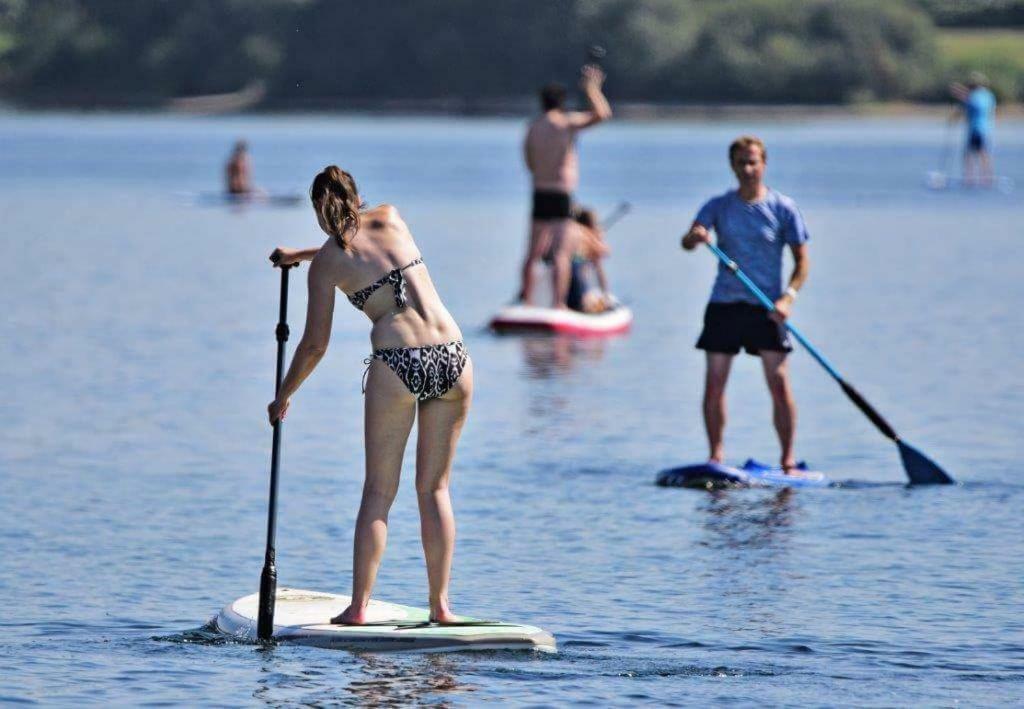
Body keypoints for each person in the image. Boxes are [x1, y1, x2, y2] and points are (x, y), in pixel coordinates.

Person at [268, 166, 473, 625]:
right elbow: (367, 245)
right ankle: (441, 607)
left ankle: (359, 607)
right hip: (455, 358)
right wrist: (300, 254)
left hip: (399, 362)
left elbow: (315, 345)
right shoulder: (393, 217)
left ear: (319, 213)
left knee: (379, 491)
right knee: (435, 489)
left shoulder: (325, 266)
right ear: (358, 197)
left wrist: (284, 394)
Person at [680, 136, 810, 473]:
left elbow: (802, 263)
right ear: (733, 167)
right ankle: (716, 456)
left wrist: (789, 298)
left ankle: (788, 460)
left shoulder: (783, 208)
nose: (748, 169)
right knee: (714, 383)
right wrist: (696, 237)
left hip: (767, 306)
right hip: (725, 304)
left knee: (779, 385)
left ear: (764, 164)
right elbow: (688, 240)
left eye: (753, 162)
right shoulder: (718, 206)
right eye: (741, 163)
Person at [520, 65, 612, 308]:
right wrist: (592, 89)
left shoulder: (533, 127)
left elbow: (529, 162)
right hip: (561, 193)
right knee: (560, 254)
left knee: (533, 253)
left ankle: (527, 302)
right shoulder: (566, 123)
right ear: (562, 102)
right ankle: (558, 304)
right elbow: (602, 113)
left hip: (540, 191)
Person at [949, 72, 997, 186]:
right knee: (982, 152)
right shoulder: (989, 95)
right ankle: (986, 177)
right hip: (986, 129)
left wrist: (960, 94)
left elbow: (973, 103)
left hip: (977, 129)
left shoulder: (977, 96)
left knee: (973, 153)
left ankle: (970, 178)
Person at [567, 206, 612, 313]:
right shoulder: (584, 233)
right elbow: (605, 251)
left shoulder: (572, 234)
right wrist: (598, 238)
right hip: (576, 283)